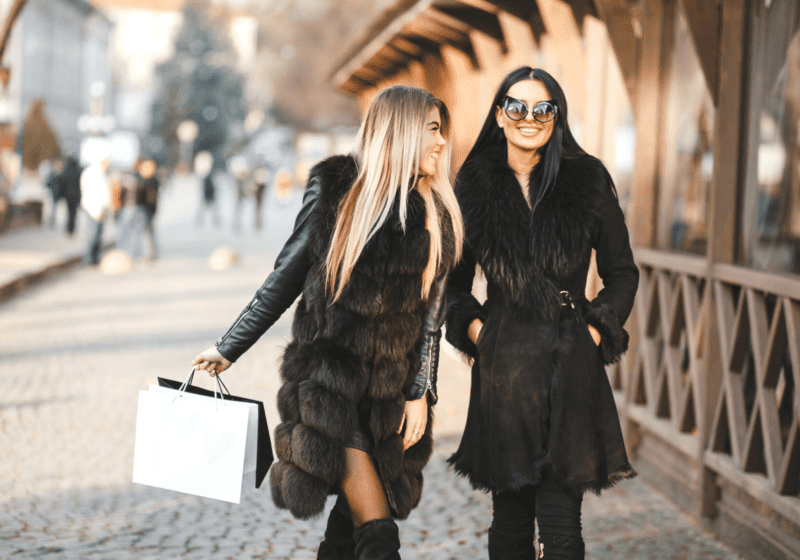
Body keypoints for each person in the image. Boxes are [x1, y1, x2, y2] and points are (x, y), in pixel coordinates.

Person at [192, 85, 464, 560]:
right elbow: (284, 277)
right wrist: (228, 347)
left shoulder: (437, 214)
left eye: (443, 130)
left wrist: (421, 391)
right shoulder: (338, 192)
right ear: (399, 132)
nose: (442, 142)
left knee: (344, 536)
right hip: (328, 392)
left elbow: (431, 323)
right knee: (378, 533)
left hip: (386, 400)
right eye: (432, 130)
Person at [444, 67, 639, 559]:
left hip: (571, 363)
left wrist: (596, 331)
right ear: (499, 114)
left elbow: (622, 273)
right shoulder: (474, 184)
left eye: (542, 108)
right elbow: (453, 284)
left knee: (561, 523)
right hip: (505, 370)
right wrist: (477, 332)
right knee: (510, 521)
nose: (529, 118)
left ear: (557, 116)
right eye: (517, 106)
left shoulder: (587, 180)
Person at [80, 158, 111, 265]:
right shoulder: (92, 173)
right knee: (92, 235)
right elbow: (91, 194)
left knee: (98, 236)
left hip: (101, 209)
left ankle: (95, 259)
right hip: (94, 209)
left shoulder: (103, 173)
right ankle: (88, 259)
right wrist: (96, 210)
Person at [59, 156, 83, 236]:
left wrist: (61, 194)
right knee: (74, 213)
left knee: (68, 212)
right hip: (75, 196)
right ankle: (72, 228)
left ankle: (69, 228)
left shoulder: (66, 170)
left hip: (68, 195)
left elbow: (62, 182)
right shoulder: (78, 171)